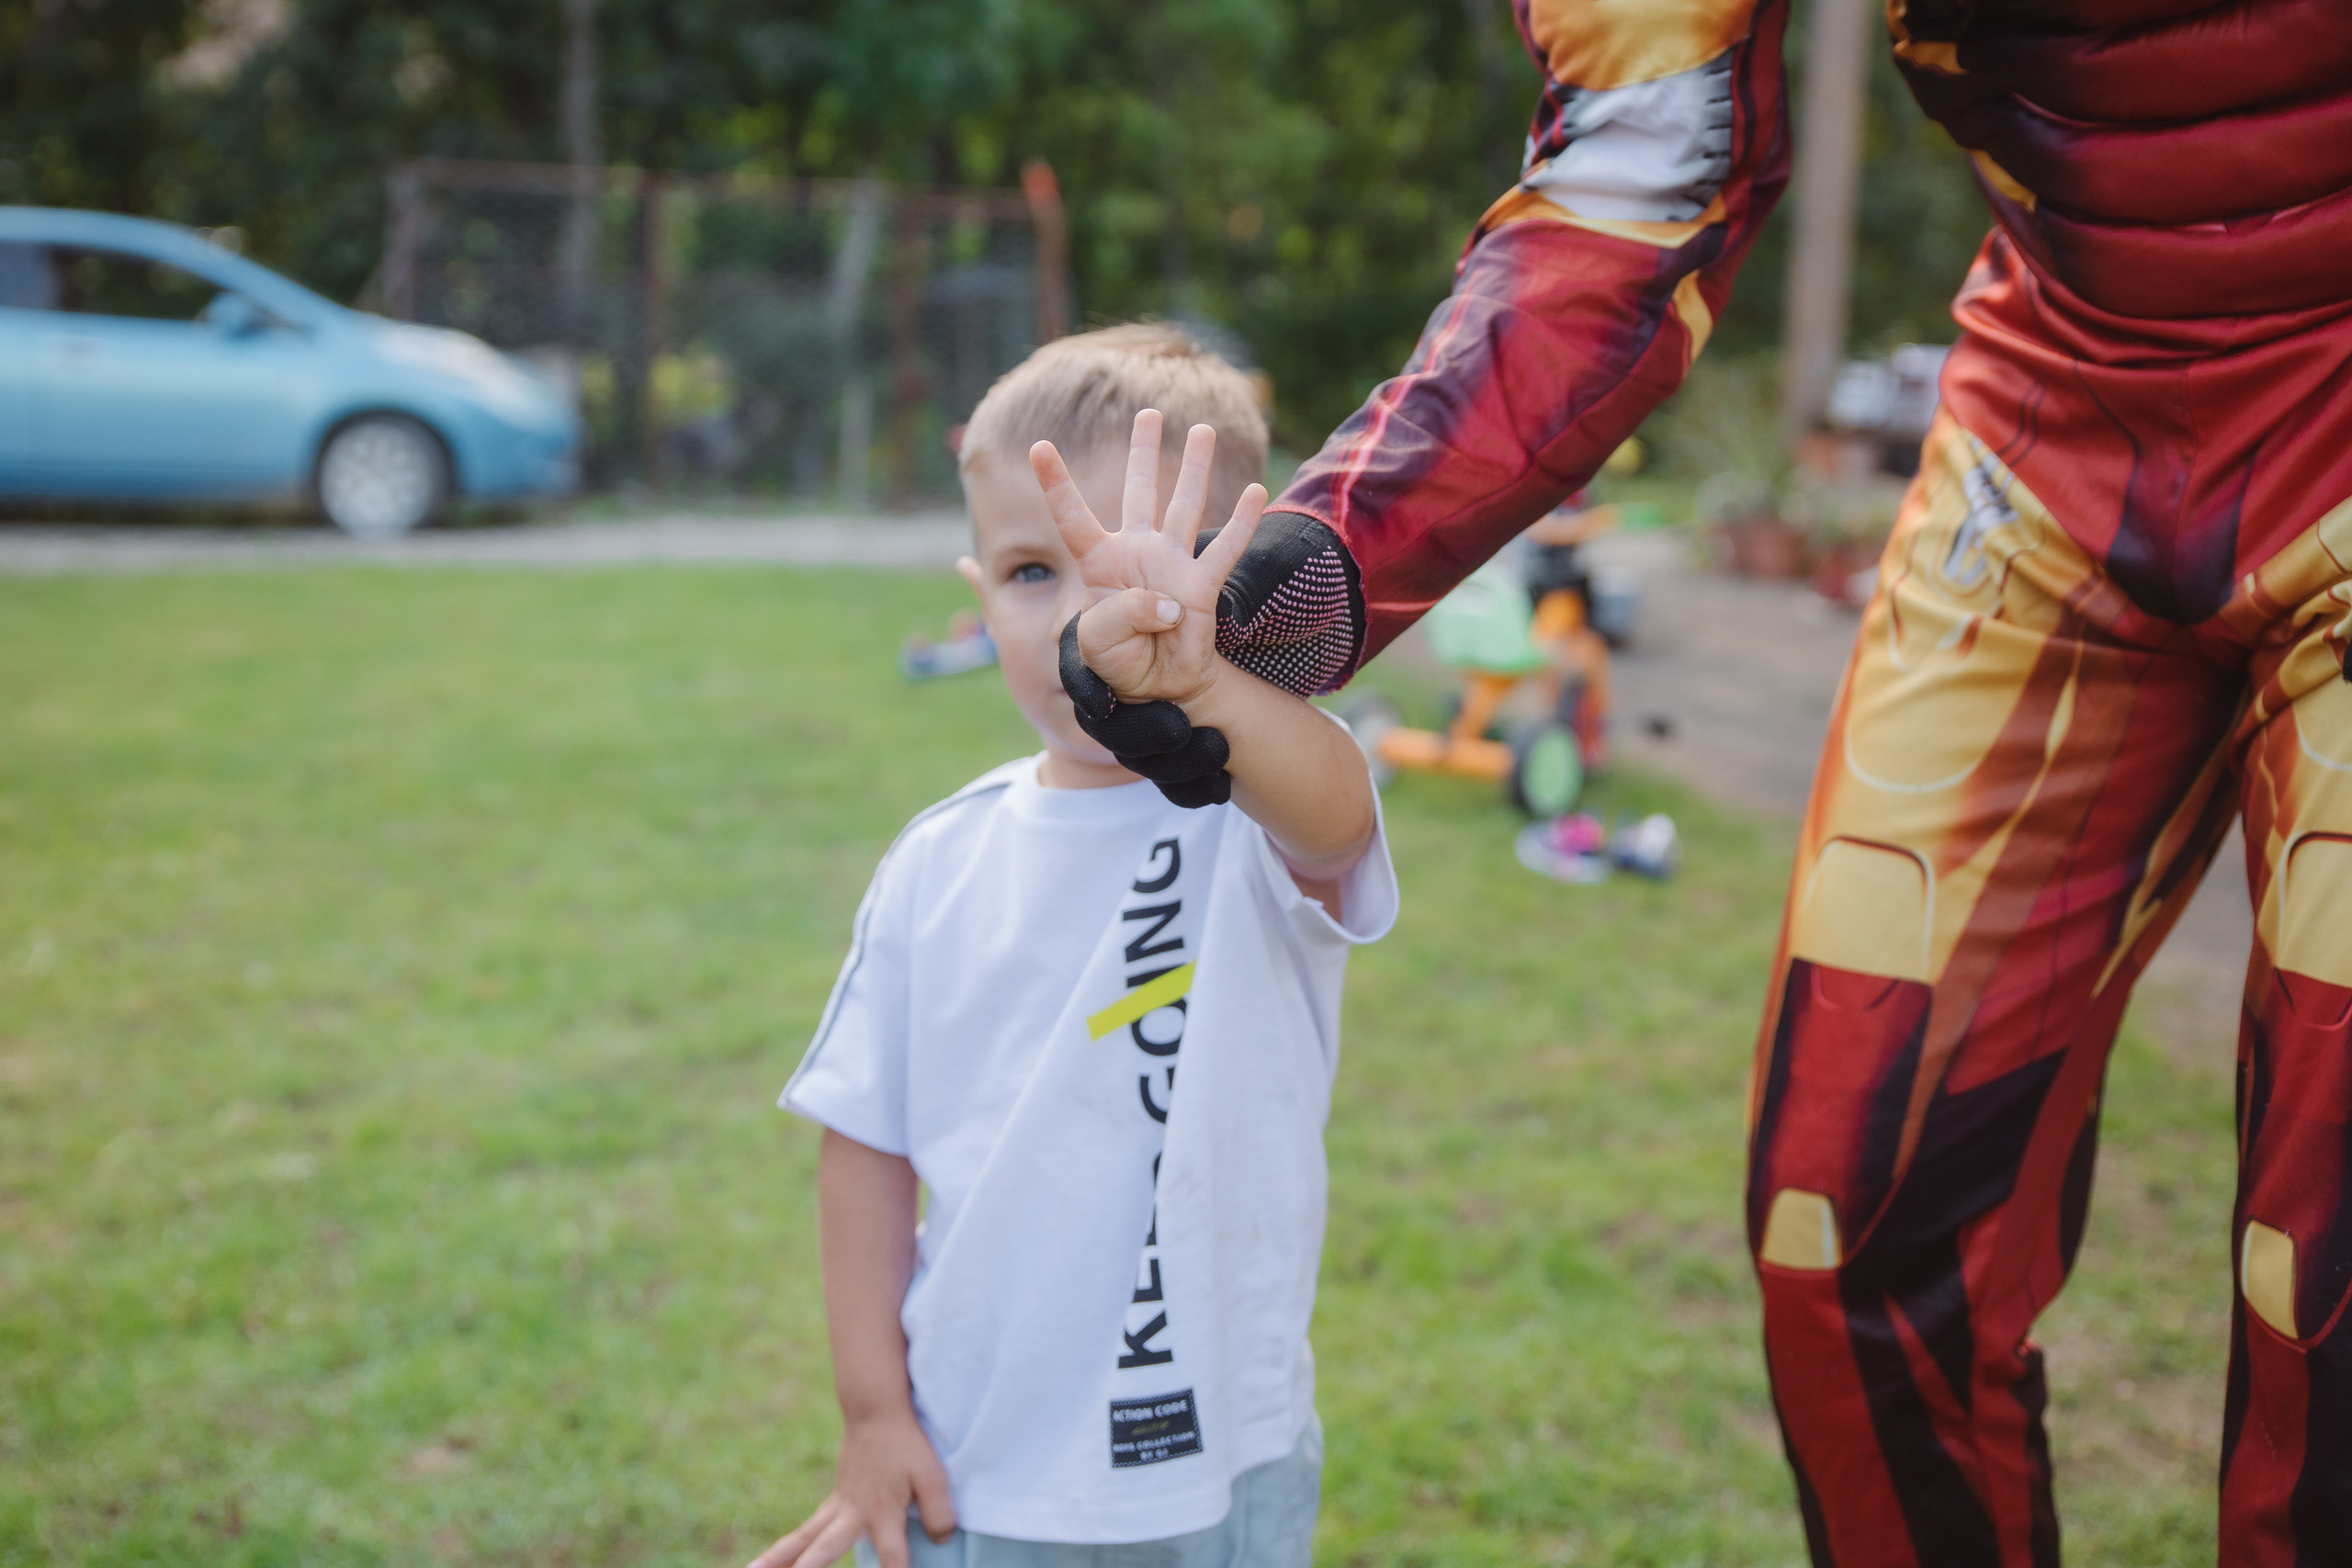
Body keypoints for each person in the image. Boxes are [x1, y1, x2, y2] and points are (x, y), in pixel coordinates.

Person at [1115, 3, 2352, 1561]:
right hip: (2058, 430)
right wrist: (1303, 582)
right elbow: (1634, 178)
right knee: (1846, 1234)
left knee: (2327, 1295)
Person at [752, 324, 1396, 1568]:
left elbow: (1338, 817)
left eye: (1138, 568)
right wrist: (874, 1413)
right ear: (977, 588)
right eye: (1033, 571)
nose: (1085, 621)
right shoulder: (937, 862)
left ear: (1228, 576)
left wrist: (1198, 688)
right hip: (983, 1473)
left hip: (1227, 1463)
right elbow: (865, 1146)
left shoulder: (1252, 814)